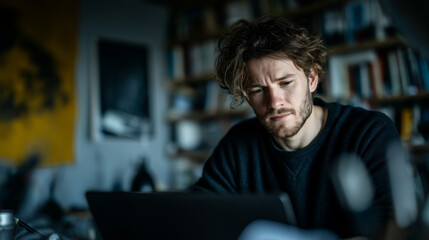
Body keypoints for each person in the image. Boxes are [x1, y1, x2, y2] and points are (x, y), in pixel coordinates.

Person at [191, 15, 402, 239]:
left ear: (311, 79)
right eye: (258, 90)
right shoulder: (238, 145)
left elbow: (392, 228)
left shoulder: (368, 133)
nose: (275, 102)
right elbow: (200, 217)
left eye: (286, 83)